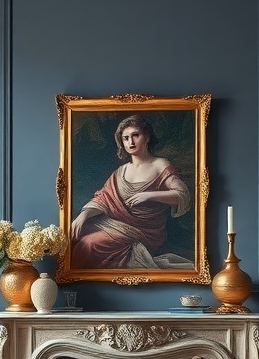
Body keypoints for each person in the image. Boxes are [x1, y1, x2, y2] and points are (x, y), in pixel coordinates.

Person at [70, 114, 192, 270]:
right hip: (116, 225)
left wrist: (149, 195)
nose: (131, 142)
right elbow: (103, 199)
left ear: (146, 137)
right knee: (75, 237)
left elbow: (182, 194)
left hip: (144, 232)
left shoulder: (159, 165)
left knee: (89, 244)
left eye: (135, 135)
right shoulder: (120, 172)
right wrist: (83, 215)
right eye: (126, 138)